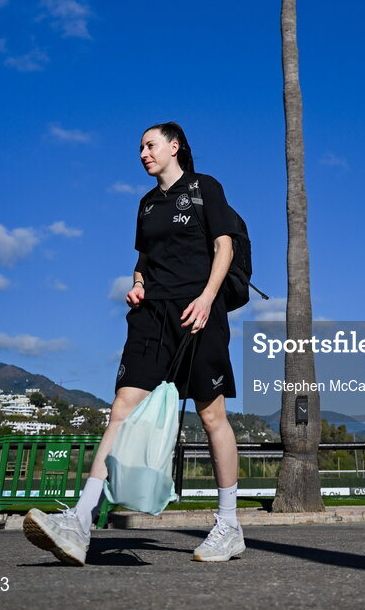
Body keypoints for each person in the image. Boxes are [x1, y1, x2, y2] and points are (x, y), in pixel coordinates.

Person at [23, 122, 245, 565]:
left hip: (197, 312)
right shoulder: (146, 204)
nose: (143, 153)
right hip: (151, 318)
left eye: (150, 145)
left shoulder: (204, 187)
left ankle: (229, 525)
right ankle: (80, 521)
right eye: (140, 147)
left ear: (174, 146)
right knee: (122, 408)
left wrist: (206, 298)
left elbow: (225, 248)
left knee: (211, 415)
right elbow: (143, 260)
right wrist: (139, 284)